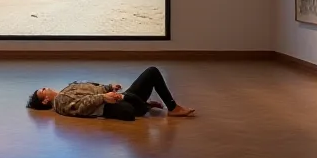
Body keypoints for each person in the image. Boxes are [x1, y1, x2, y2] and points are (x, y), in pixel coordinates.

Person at [26, 66, 195, 121]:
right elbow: (81, 106)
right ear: (45, 100)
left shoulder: (66, 90)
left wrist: (108, 87)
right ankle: (150, 106)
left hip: (114, 98)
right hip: (111, 105)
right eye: (42, 90)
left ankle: (160, 106)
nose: (45, 87)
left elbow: (91, 89)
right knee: (129, 111)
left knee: (152, 72)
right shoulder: (61, 103)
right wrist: (104, 97)